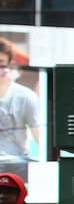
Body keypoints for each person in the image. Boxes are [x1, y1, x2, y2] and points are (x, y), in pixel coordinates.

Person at [0, 40, 39, 176]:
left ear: (9, 65)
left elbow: (40, 134)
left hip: (18, 164)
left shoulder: (26, 96)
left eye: (1, 63)